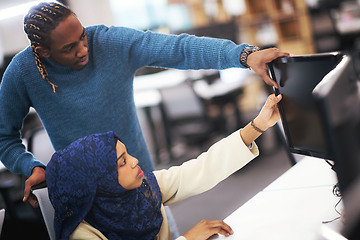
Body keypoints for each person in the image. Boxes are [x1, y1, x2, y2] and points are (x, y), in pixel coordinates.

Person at [0, 1, 289, 207]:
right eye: (69, 48)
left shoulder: (109, 42)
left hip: (138, 174)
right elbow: (4, 138)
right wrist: (29, 166)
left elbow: (178, 49)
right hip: (84, 193)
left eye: (82, 37)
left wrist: (244, 56)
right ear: (43, 51)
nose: (83, 49)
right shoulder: (22, 73)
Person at [45, 93, 282, 240]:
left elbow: (201, 169)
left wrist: (259, 125)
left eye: (127, 154)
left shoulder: (142, 189)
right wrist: (188, 239)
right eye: (122, 162)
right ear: (99, 182)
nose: (135, 161)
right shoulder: (82, 234)